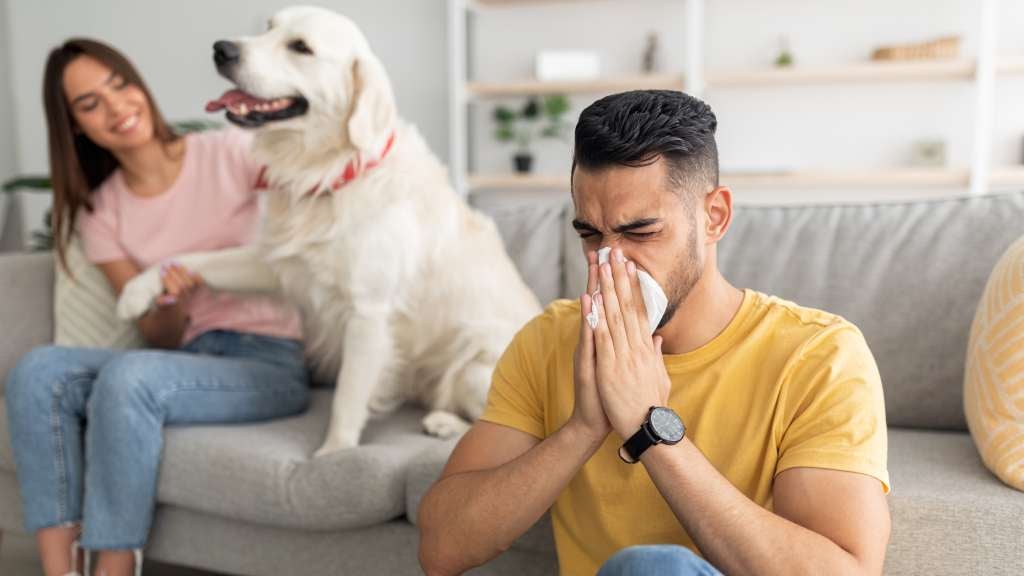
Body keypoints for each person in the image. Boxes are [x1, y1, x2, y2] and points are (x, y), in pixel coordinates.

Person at [418, 90, 890, 576]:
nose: (610, 260)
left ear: (714, 217)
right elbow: (441, 549)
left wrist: (652, 429)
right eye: (589, 235)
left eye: (640, 233)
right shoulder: (549, 340)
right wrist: (583, 428)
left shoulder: (818, 354)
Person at [5, 38, 308, 576]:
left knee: (130, 376)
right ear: (74, 125)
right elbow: (160, 334)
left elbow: (315, 194)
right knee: (37, 370)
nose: (118, 107)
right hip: (187, 357)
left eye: (120, 85)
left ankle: (115, 568)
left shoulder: (230, 152)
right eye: (90, 103)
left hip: (269, 362)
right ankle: (58, 570)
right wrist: (173, 300)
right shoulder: (101, 213)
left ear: (139, 84)